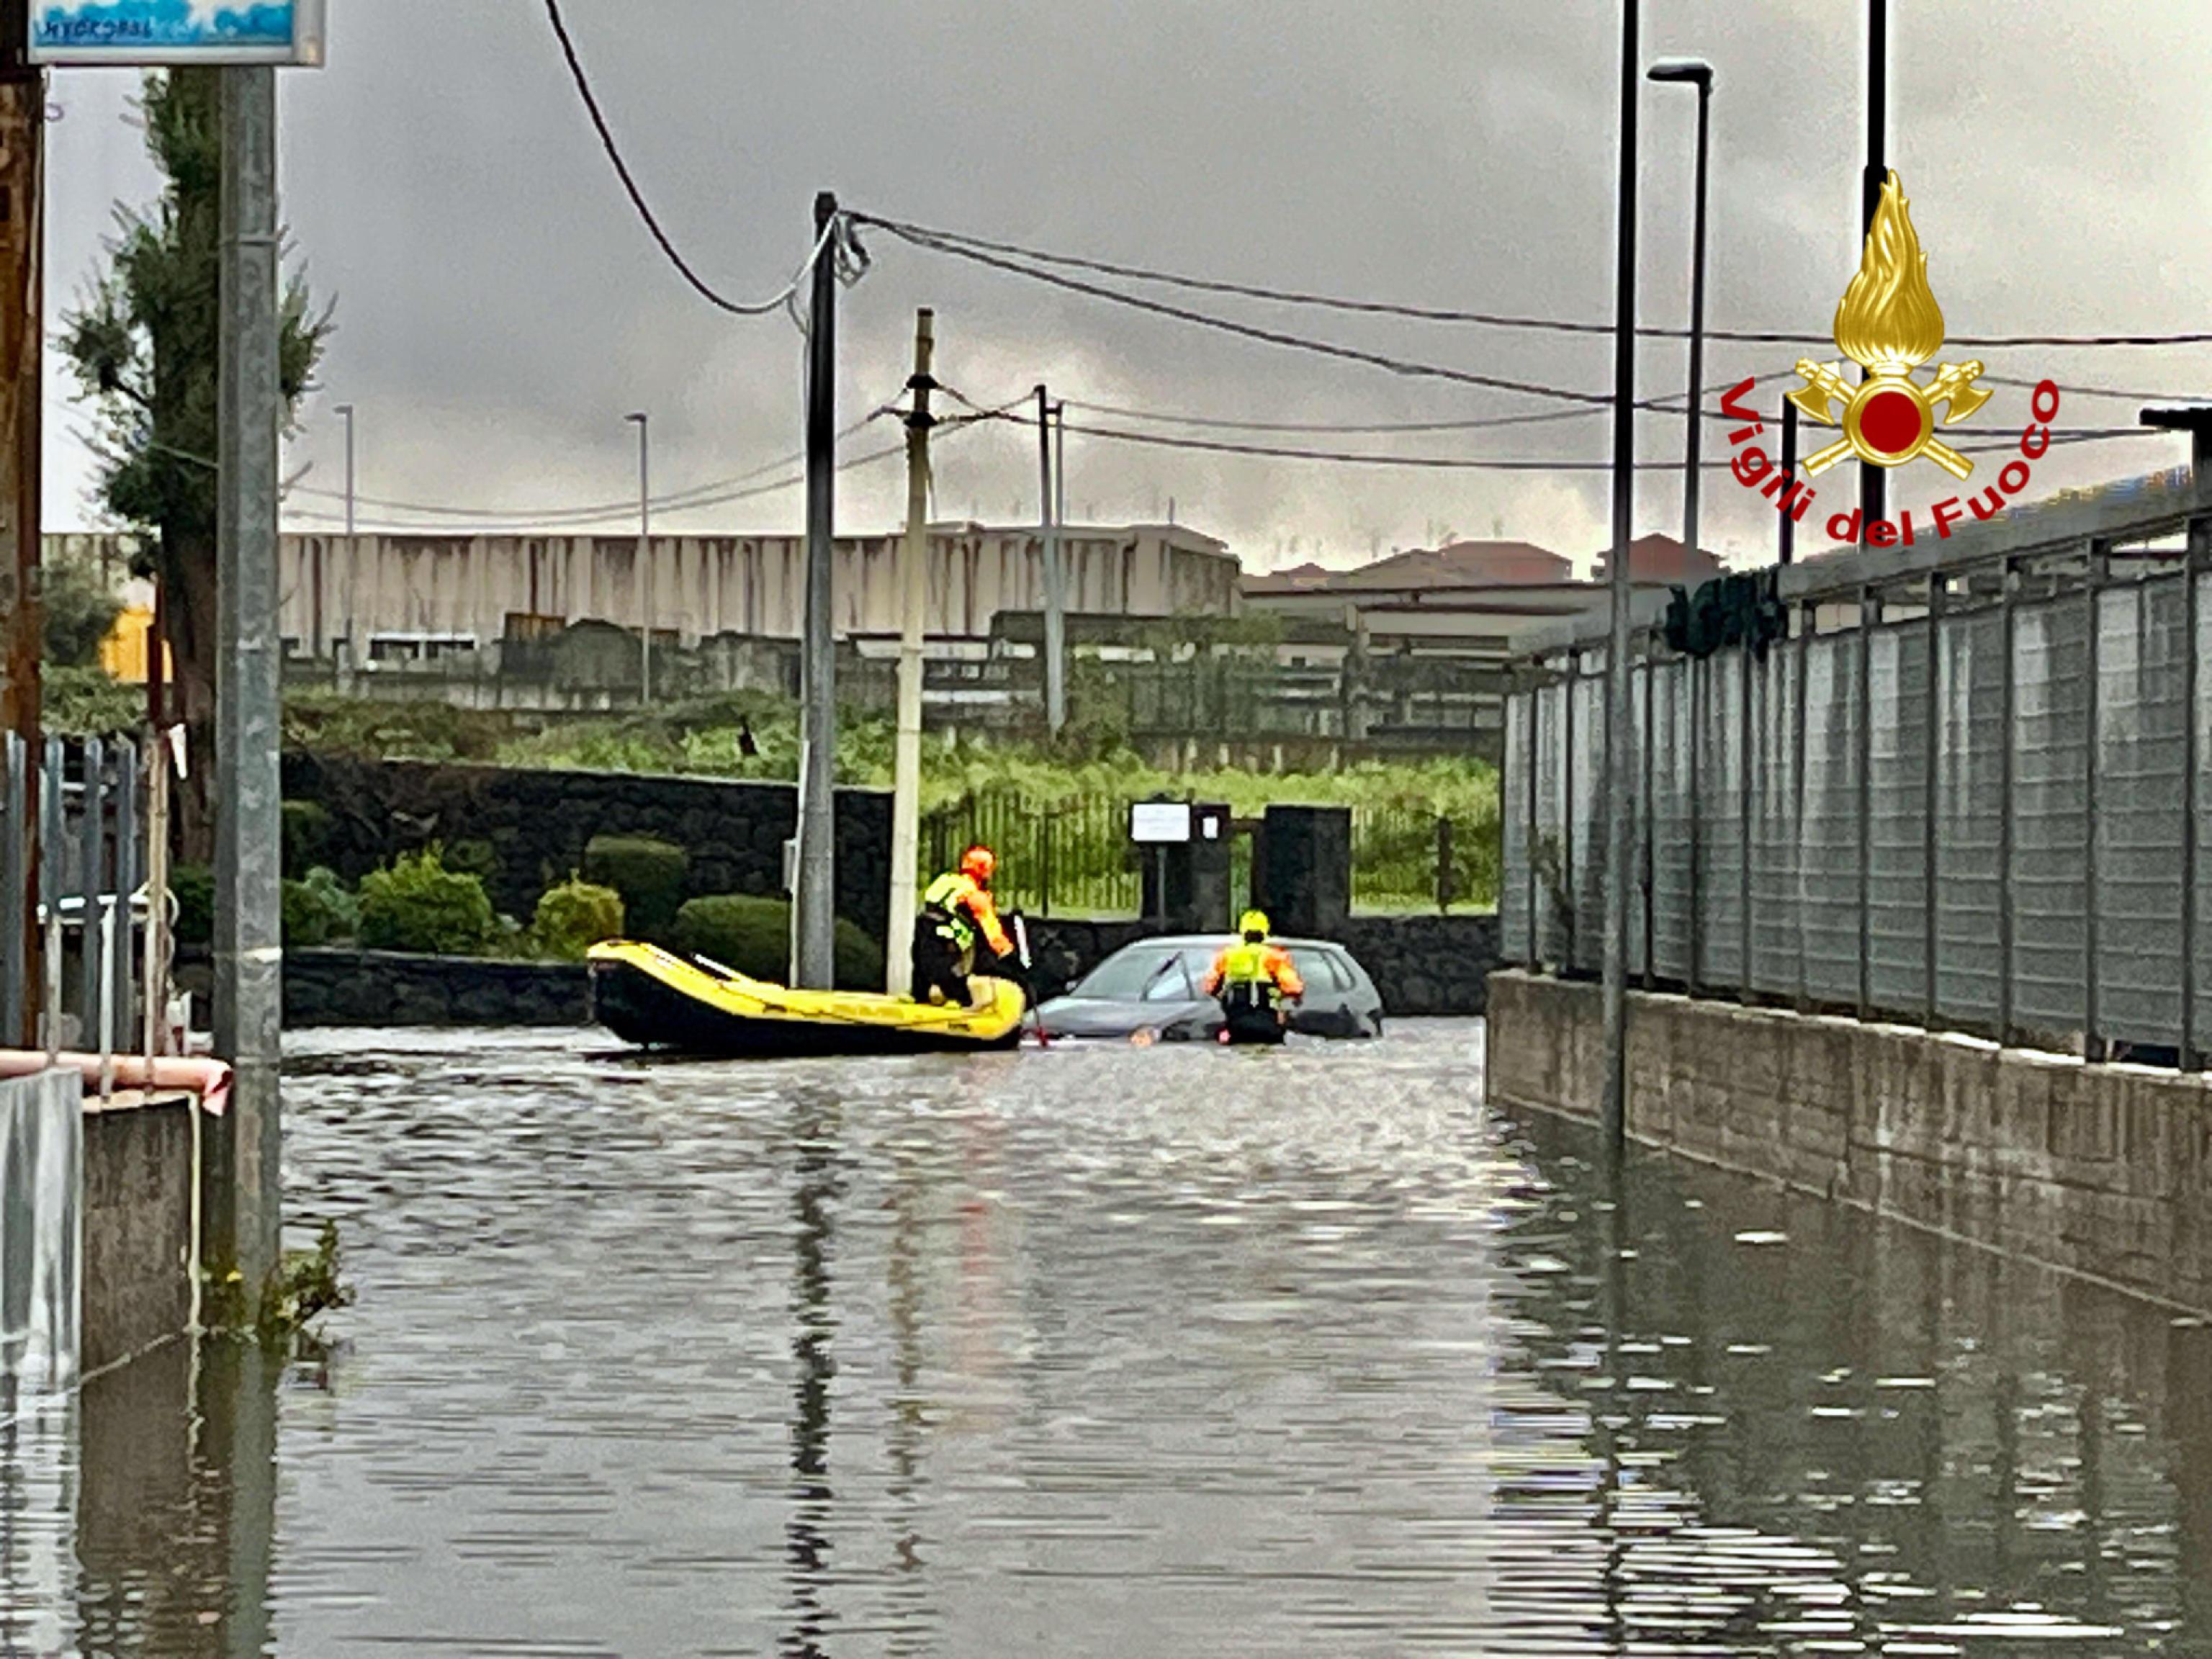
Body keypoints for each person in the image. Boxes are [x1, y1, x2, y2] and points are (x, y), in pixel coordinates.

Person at [914, 845, 1014, 1006]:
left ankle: (919, 997)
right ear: (985, 870)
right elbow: (989, 925)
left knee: (923, 977)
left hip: (924, 936)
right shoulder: (974, 894)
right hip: (947, 944)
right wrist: (1005, 949)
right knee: (955, 982)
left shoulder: (944, 881)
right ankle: (963, 1005)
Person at [1202, 909, 1305, 1044]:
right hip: (1267, 1020)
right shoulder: (1276, 957)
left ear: (1243, 932)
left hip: (1235, 1022)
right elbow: (1293, 988)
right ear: (1265, 932)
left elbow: (1209, 987)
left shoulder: (1226, 955)